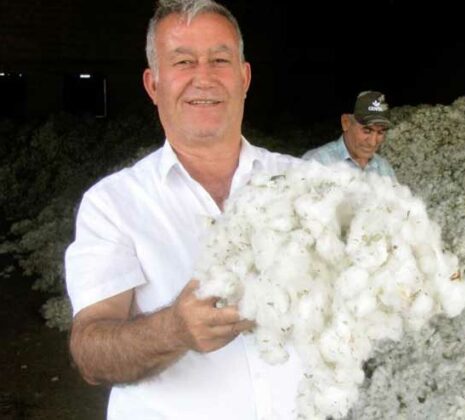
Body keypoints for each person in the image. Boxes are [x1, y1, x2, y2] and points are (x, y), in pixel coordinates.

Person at [65, 1, 303, 418]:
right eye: (183, 61)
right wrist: (174, 329)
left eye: (220, 59)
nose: (204, 78)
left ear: (244, 77)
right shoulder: (114, 204)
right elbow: (90, 354)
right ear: (153, 84)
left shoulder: (305, 185)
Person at [302, 90, 396, 179]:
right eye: (367, 131)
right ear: (346, 123)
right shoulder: (317, 163)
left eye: (380, 132)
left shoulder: (384, 169)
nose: (372, 142)